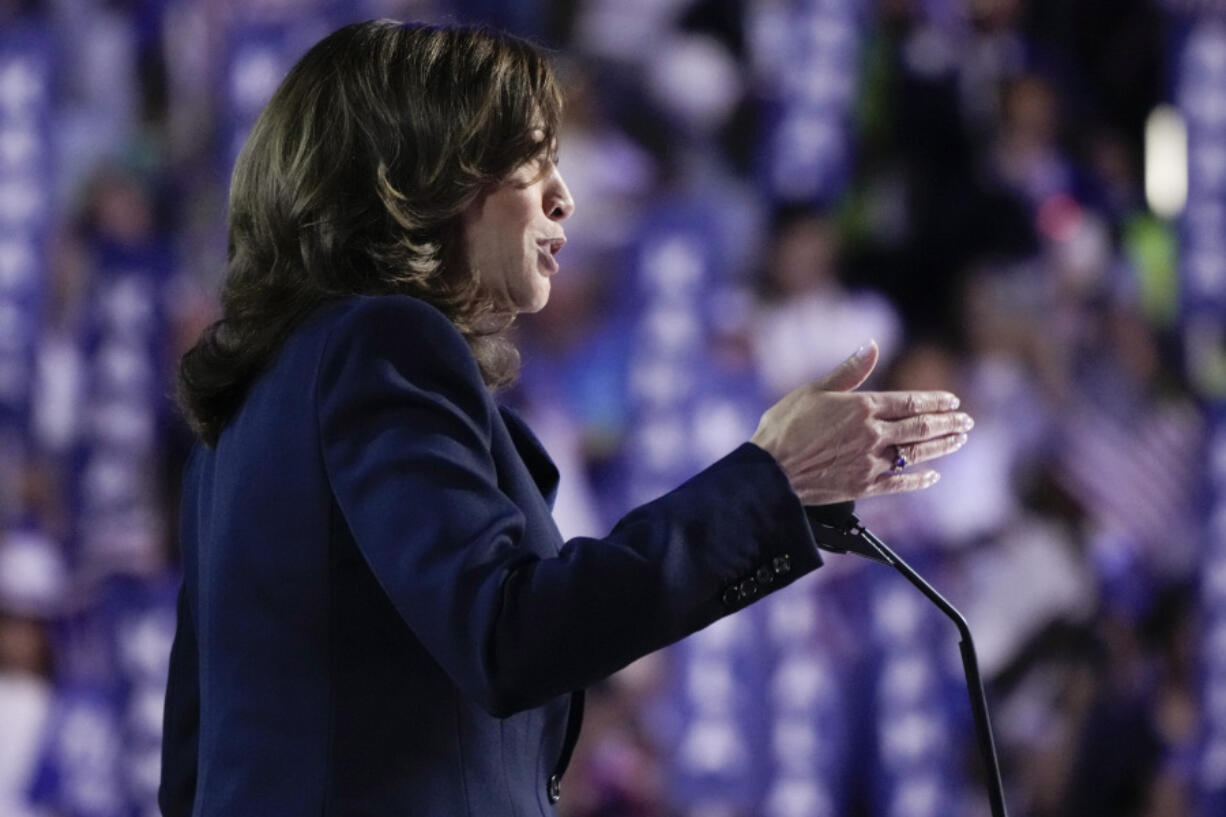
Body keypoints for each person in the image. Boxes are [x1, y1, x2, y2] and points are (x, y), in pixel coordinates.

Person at [160, 20, 973, 816]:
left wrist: (783, 493)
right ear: (421, 175)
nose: (564, 196)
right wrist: (768, 478)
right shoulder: (385, 343)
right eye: (530, 161)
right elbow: (506, 630)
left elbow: (191, 774)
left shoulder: (240, 415)